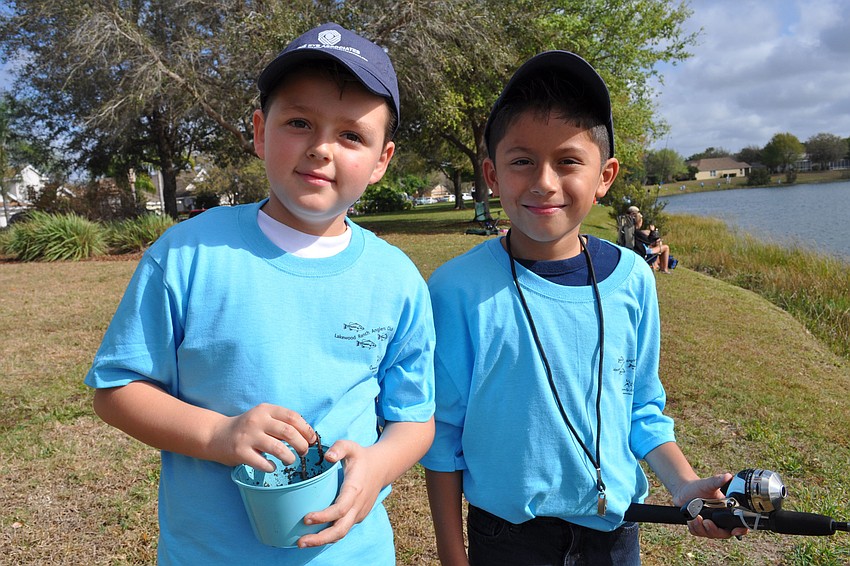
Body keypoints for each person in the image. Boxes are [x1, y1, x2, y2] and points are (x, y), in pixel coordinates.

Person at [85, 23, 435, 565]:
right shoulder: (187, 255)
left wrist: (380, 465)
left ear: (382, 160)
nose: (321, 148)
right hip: (210, 552)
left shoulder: (396, 278)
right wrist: (217, 434)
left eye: (351, 135)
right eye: (299, 123)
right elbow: (116, 389)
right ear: (260, 132)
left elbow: (414, 418)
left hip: (353, 553)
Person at [421, 51, 746, 565]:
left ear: (605, 176)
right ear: (492, 173)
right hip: (507, 540)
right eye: (522, 160)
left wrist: (684, 485)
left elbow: (641, 407)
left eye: (568, 161)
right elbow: (443, 436)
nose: (544, 181)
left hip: (615, 536)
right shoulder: (456, 290)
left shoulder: (634, 280)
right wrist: (452, 556)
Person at [629, 205, 673, 274]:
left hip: (635, 249)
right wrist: (652, 231)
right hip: (643, 252)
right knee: (666, 247)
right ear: (639, 222)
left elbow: (644, 240)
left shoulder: (629, 230)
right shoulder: (636, 232)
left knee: (657, 244)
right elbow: (649, 242)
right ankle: (664, 269)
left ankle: (656, 265)